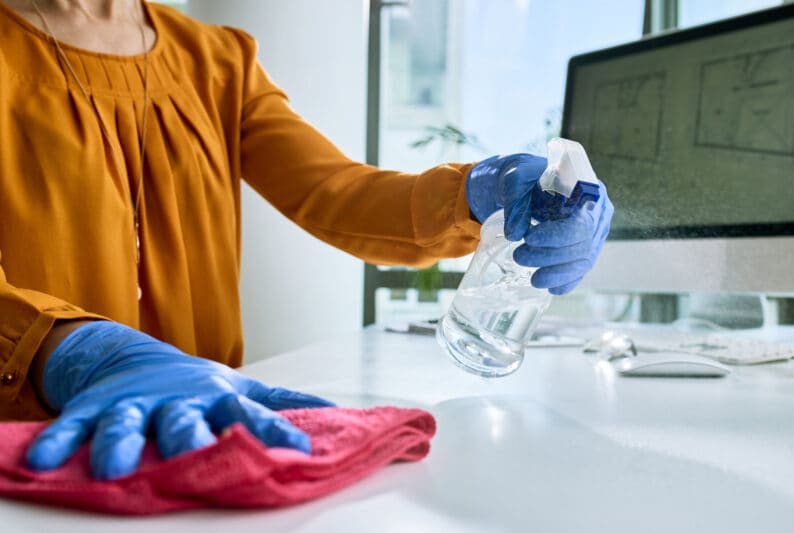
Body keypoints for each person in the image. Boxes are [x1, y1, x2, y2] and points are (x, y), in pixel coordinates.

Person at [0, 0, 613, 479]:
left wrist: (476, 193)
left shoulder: (215, 59)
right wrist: (71, 349)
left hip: (206, 436)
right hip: (33, 445)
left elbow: (335, 192)